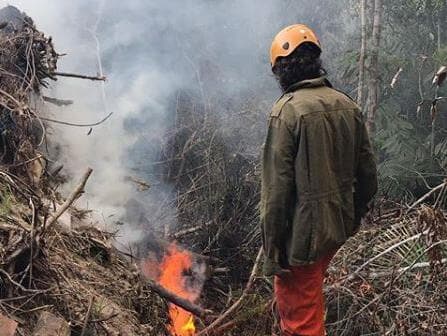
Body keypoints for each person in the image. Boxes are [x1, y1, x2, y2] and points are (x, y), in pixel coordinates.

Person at [260, 24, 378, 336]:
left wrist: (274, 251)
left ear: (282, 71)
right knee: (306, 303)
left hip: (302, 241)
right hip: (334, 230)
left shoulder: (287, 112)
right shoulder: (346, 104)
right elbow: (368, 177)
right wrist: (349, 218)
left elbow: (276, 195)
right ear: (315, 61)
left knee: (302, 324)